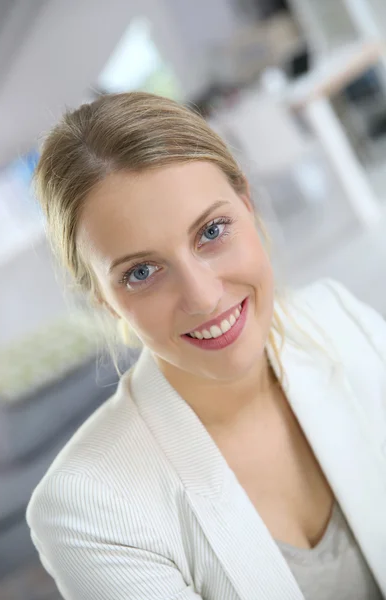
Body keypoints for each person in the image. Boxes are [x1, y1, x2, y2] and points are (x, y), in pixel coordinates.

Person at [26, 92, 386, 600]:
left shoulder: (337, 318)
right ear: (104, 302)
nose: (204, 296)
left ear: (247, 203)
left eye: (212, 231)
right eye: (142, 272)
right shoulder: (87, 509)